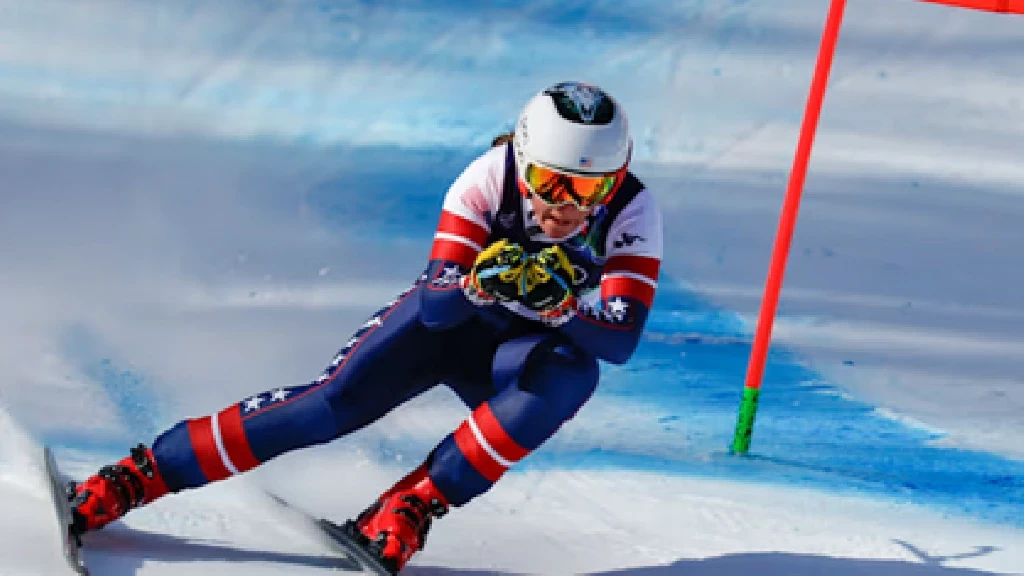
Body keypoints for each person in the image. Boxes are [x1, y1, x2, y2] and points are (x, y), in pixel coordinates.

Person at [68, 81, 663, 573]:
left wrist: (562, 310)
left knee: (572, 373)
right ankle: (140, 474)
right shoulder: (487, 177)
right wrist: (479, 284)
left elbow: (619, 340)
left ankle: (409, 506)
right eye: (553, 184)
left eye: (591, 189)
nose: (568, 207)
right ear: (524, 162)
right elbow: (435, 308)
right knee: (329, 408)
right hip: (448, 328)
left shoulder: (633, 210)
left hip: (517, 356)